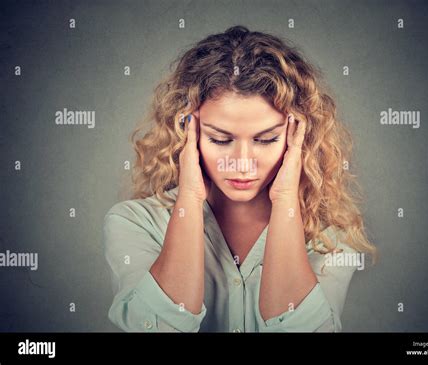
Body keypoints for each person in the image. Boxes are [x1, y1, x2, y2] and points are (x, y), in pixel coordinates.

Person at [103, 25, 376, 332]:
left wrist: (285, 197)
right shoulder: (134, 222)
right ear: (186, 134)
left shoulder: (332, 237)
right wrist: (190, 197)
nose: (242, 163)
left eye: (266, 140)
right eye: (220, 140)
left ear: (297, 137)